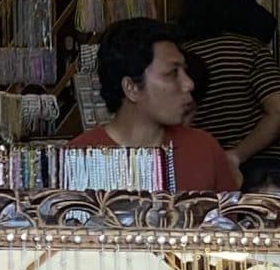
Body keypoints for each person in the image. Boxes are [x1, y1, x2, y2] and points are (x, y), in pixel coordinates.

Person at [68, 18, 242, 191]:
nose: (189, 84)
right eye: (173, 73)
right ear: (132, 88)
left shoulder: (204, 150)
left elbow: (228, 217)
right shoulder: (77, 158)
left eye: (185, 71)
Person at [178, 0, 280, 177]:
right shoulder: (250, 49)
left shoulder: (178, 58)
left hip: (201, 165)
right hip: (261, 165)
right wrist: (236, 155)